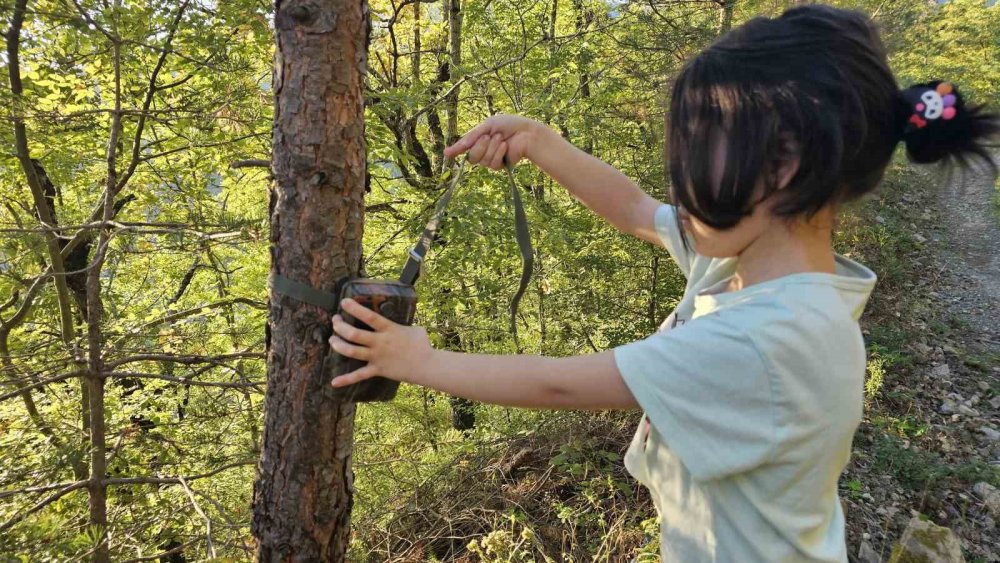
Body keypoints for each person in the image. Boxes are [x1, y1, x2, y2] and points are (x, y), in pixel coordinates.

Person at [328, 5, 999, 561]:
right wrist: (537, 140)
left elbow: (560, 383)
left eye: (697, 154)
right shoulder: (749, 262)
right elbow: (633, 209)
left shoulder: (772, 338)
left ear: (784, 165)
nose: (680, 184)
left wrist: (417, 360)